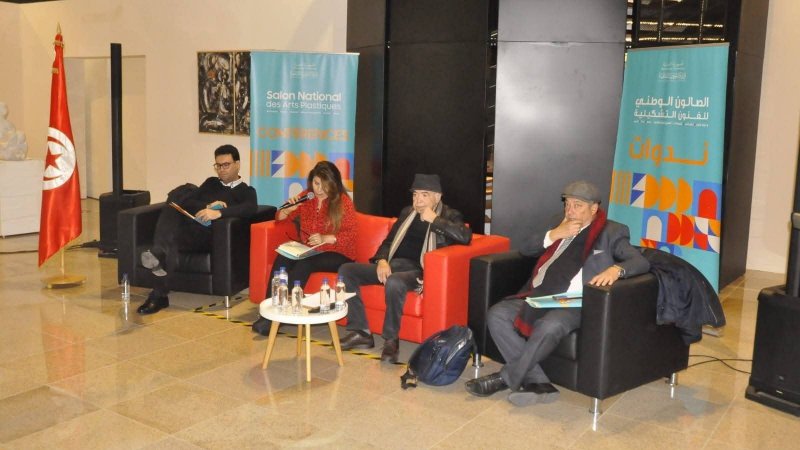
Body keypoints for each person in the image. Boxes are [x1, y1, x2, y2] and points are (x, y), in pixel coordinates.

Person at [465, 180, 650, 406]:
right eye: (567, 204)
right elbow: (526, 249)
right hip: (541, 294)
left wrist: (616, 270)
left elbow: (640, 261)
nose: (570, 211)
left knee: (549, 326)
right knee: (497, 314)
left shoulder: (611, 232)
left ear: (594, 208)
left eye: (577, 206)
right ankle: (539, 383)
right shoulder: (559, 223)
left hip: (575, 301)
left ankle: (506, 378)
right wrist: (554, 234)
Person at [337, 174, 472, 363]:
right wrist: (382, 260)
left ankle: (391, 341)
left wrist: (435, 220)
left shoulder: (449, 215)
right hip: (392, 266)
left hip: (418, 271)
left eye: (424, 195)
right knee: (347, 271)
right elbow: (389, 242)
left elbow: (465, 236)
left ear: (437, 197)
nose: (418, 200)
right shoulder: (407, 213)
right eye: (415, 195)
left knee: (394, 282)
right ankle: (361, 332)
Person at [136, 144, 257, 315]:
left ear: (237, 164)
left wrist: (218, 213)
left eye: (226, 165)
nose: (221, 170)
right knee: (173, 208)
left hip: (208, 235)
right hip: (188, 226)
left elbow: (250, 208)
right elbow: (188, 202)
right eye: (218, 165)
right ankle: (159, 282)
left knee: (170, 240)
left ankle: (158, 283)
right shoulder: (211, 183)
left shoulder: (246, 191)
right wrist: (207, 206)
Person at [251, 161, 357, 335]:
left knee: (306, 263)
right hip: (309, 250)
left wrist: (326, 238)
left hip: (338, 252)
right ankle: (270, 313)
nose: (319, 189)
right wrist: (287, 209)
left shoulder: (343, 202)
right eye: (316, 183)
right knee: (282, 257)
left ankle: (283, 314)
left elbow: (351, 235)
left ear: (333, 183)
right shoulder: (307, 197)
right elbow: (280, 218)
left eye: (324, 185)